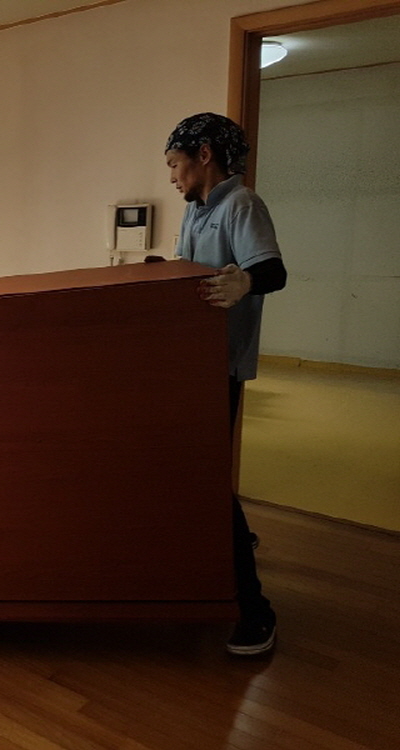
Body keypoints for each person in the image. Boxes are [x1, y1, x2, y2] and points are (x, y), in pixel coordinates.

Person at [164, 112, 287, 656]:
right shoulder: (196, 210)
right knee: (196, 475)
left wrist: (246, 281)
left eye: (175, 164)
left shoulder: (241, 205)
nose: (172, 177)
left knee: (210, 483)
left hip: (221, 366)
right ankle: (221, 550)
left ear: (204, 154)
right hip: (191, 364)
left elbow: (274, 272)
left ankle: (256, 610)